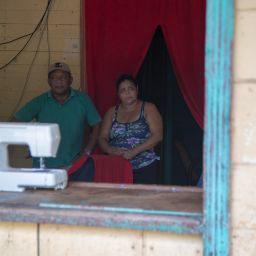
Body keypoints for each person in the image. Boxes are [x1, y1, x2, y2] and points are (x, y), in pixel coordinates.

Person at [14, 62, 101, 181]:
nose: (58, 82)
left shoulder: (82, 99)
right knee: (44, 199)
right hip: (44, 166)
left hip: (74, 165)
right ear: (49, 81)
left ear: (70, 80)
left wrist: (88, 151)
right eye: (54, 78)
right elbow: (15, 122)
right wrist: (30, 141)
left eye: (63, 77)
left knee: (75, 198)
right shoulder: (40, 101)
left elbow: (96, 124)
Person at [99, 74, 163, 184]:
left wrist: (134, 151)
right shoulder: (111, 112)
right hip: (117, 165)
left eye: (130, 88)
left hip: (143, 165)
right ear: (118, 93)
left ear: (137, 89)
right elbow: (102, 138)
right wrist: (111, 150)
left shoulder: (148, 108)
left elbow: (158, 136)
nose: (127, 93)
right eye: (123, 90)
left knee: (141, 199)